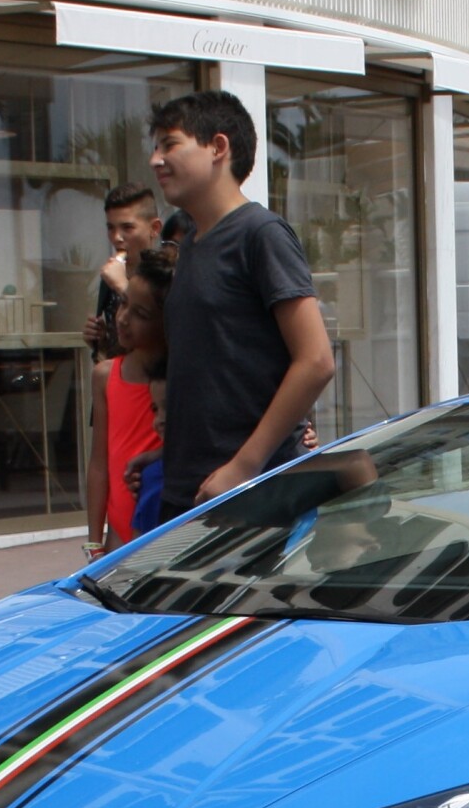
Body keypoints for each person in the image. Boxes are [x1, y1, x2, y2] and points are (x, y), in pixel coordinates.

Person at [144, 90, 336, 521]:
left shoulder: (260, 233)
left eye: (170, 144)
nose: (156, 160)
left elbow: (316, 360)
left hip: (249, 494)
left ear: (218, 147)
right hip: (189, 487)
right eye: (154, 147)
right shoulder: (191, 245)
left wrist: (243, 467)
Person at [84, 242, 171, 556]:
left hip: (163, 529)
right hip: (118, 536)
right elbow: (99, 463)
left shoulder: (180, 378)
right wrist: (94, 542)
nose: (123, 318)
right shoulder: (105, 375)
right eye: (123, 304)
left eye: (140, 313)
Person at [84, 183, 164, 360]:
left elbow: (169, 333)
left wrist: (122, 286)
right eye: (110, 228)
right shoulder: (110, 277)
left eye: (127, 228)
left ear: (154, 229)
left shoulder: (165, 274)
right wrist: (102, 339)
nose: (116, 238)